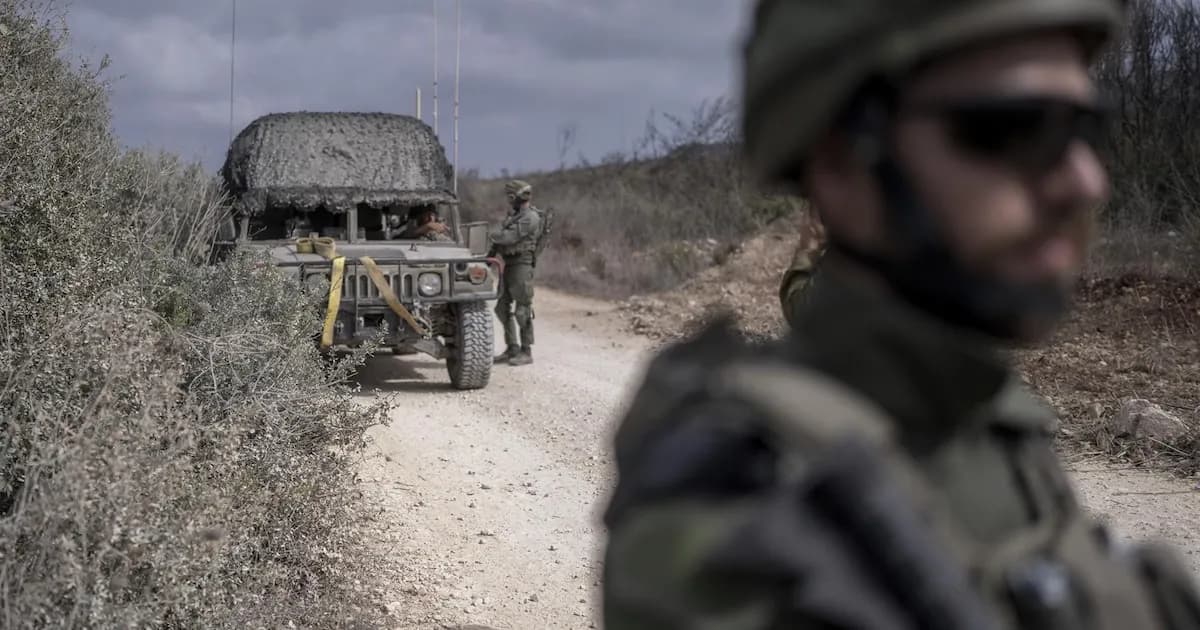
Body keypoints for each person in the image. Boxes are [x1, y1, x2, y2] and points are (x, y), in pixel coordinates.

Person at [602, 1, 1200, 629]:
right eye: (1018, 129)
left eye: (1085, 130)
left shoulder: (984, 418)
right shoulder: (744, 502)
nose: (1084, 182)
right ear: (841, 163)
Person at [489, 179, 542, 366]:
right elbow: (500, 242)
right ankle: (512, 348)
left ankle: (526, 351)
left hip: (522, 265)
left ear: (516, 196)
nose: (509, 200)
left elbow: (508, 237)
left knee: (522, 310)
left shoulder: (530, 217)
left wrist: (490, 234)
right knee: (501, 309)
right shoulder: (515, 216)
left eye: (510, 196)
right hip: (509, 264)